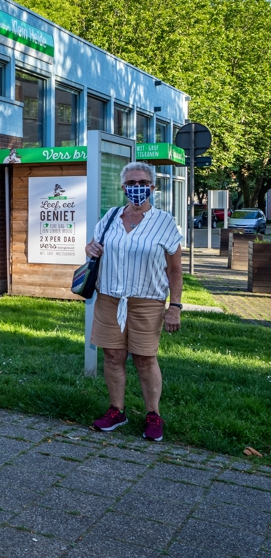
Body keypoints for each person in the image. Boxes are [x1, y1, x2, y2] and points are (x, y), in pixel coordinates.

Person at [85, 161, 183, 442]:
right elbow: (93, 246)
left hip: (147, 299)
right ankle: (117, 410)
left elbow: (175, 270)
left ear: (153, 187)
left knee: (144, 358)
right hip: (110, 297)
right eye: (131, 183)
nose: (137, 188)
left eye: (142, 183)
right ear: (122, 187)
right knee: (113, 355)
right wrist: (89, 247)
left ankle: (153, 414)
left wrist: (174, 306)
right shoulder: (111, 217)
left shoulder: (164, 221)